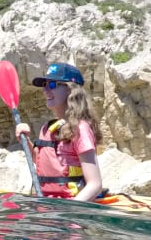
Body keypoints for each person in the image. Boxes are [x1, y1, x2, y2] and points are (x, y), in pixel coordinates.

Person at [15, 62, 103, 202]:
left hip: (70, 207)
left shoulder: (80, 129)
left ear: (70, 89)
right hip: (47, 204)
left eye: (52, 85)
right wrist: (25, 140)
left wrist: (68, 212)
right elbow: (42, 162)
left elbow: (95, 184)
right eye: (44, 85)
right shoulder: (47, 128)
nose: (45, 91)